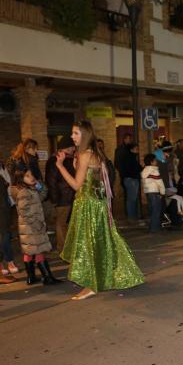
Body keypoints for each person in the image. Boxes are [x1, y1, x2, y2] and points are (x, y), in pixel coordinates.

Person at [56, 120, 144, 300]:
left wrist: (59, 166)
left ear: (85, 135)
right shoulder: (91, 152)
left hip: (89, 204)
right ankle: (109, 276)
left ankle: (92, 284)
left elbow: (76, 184)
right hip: (94, 203)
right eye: (72, 133)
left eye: (75, 133)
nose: (72, 136)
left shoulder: (85, 155)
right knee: (102, 241)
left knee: (89, 244)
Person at [10, 170, 61, 285]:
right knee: (38, 250)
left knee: (30, 251)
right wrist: (37, 224)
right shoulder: (24, 192)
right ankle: (47, 277)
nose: (31, 177)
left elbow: (42, 196)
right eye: (27, 176)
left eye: (31, 175)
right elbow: (24, 211)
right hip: (32, 227)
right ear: (20, 179)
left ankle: (31, 277)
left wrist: (40, 185)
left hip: (29, 228)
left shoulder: (30, 190)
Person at [45, 136, 76, 253]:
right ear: (66, 147)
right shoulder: (54, 160)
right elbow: (51, 181)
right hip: (63, 198)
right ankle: (62, 248)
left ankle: (67, 247)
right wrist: (55, 199)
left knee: (65, 223)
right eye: (72, 146)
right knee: (61, 223)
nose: (74, 148)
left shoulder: (68, 159)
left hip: (69, 196)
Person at [0, 158, 18, 278]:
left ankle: (9, 260)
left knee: (5, 235)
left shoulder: (3, 168)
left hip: (3, 209)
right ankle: (1, 264)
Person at [141, 154, 165, 233]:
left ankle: (152, 227)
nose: (156, 161)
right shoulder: (154, 170)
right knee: (156, 210)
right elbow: (159, 182)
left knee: (152, 210)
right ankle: (155, 228)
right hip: (155, 191)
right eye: (155, 160)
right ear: (151, 162)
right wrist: (162, 192)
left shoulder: (144, 170)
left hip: (148, 192)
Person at [122, 143, 143, 223]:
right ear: (131, 149)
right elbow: (135, 169)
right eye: (136, 148)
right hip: (132, 179)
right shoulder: (130, 157)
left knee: (131, 199)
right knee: (132, 199)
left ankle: (132, 217)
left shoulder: (130, 157)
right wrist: (141, 166)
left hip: (129, 179)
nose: (137, 150)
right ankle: (132, 217)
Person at [114, 133, 133, 212]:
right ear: (124, 139)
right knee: (128, 193)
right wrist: (123, 173)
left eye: (130, 139)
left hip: (131, 174)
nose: (130, 140)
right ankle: (129, 212)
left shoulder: (130, 148)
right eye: (128, 139)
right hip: (125, 174)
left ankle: (130, 211)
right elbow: (117, 162)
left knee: (131, 194)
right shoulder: (120, 149)